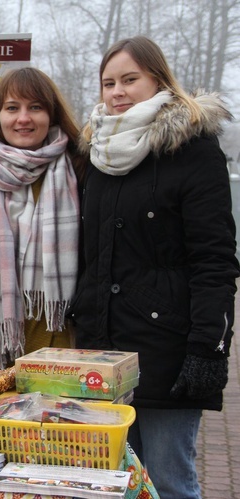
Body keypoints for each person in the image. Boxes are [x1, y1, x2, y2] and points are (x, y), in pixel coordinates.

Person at [70, 36, 238, 499]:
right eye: (108, 83)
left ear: (159, 81)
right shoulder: (99, 153)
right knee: (116, 481)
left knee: (169, 481)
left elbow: (215, 258)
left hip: (168, 348)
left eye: (130, 79)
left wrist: (209, 349)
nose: (117, 92)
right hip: (104, 353)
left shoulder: (193, 150)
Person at [0, 67, 85, 369]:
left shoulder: (80, 168)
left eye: (35, 107)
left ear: (52, 114)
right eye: (12, 108)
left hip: (64, 342)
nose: (23, 118)